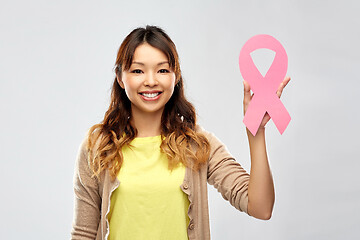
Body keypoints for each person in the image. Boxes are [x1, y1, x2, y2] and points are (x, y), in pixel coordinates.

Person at [71, 25, 291, 240]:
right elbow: (84, 233)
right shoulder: (98, 147)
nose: (150, 81)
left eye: (163, 70)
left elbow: (261, 208)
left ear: (175, 78)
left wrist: (256, 132)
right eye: (138, 70)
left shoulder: (198, 145)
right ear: (120, 78)